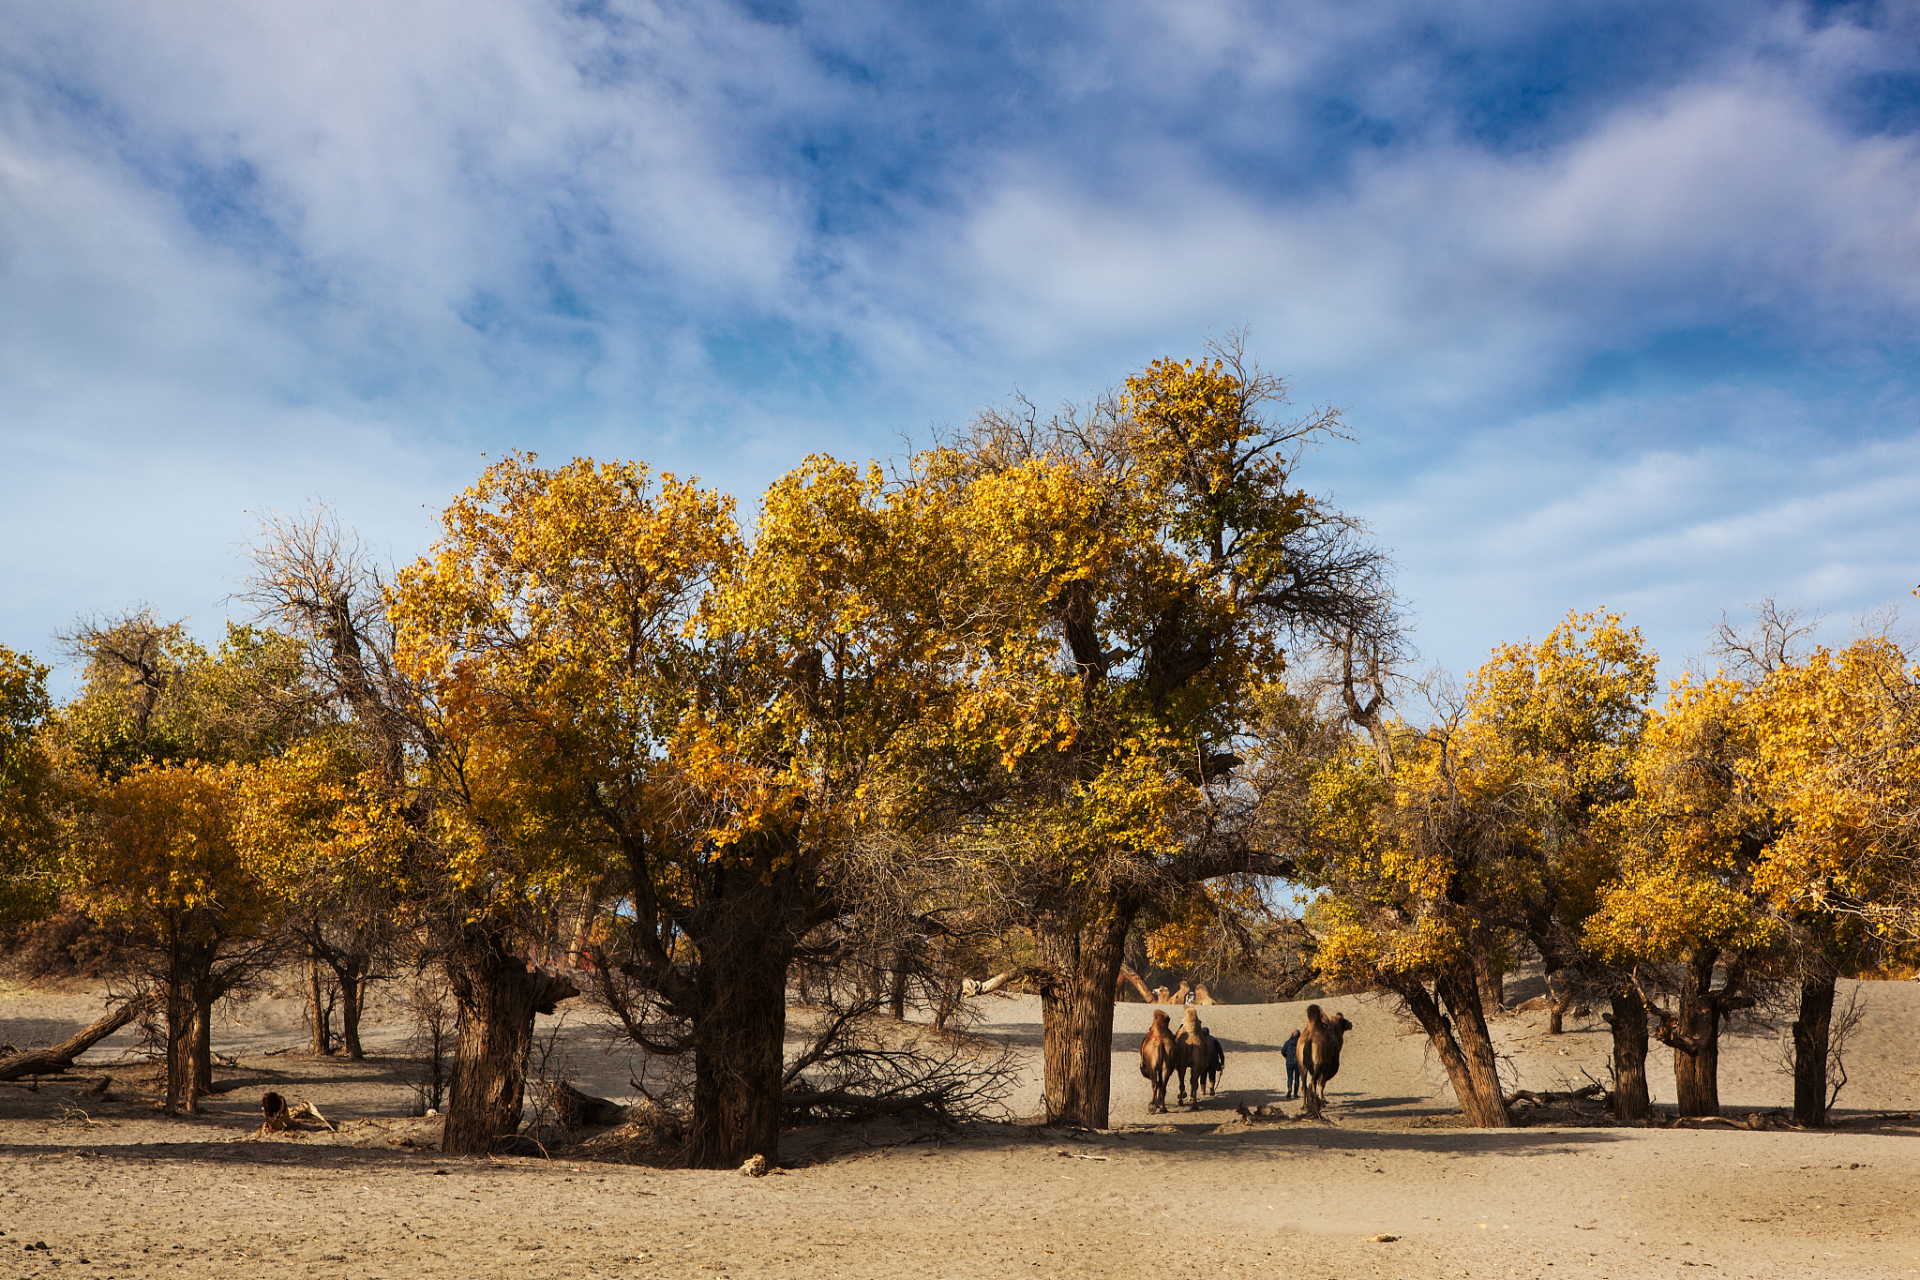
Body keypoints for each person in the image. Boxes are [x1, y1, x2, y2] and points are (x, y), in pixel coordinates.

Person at [1281, 1028, 1301, 1099]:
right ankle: (1295, 1093)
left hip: (1289, 1062)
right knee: (1297, 1078)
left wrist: (1287, 1057)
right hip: (1298, 1062)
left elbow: (1283, 1051)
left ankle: (1289, 1088)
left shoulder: (1288, 1042)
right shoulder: (1300, 1043)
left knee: (1290, 1077)